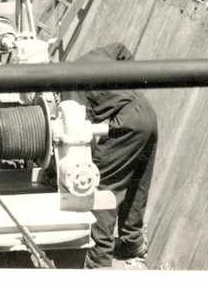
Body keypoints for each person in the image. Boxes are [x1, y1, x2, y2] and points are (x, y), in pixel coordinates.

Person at [64, 42, 158, 269]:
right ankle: (132, 242)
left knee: (100, 184)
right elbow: (122, 50)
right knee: (138, 179)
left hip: (126, 121)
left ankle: (99, 260)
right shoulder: (95, 55)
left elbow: (78, 136)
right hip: (147, 112)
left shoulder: (67, 84)